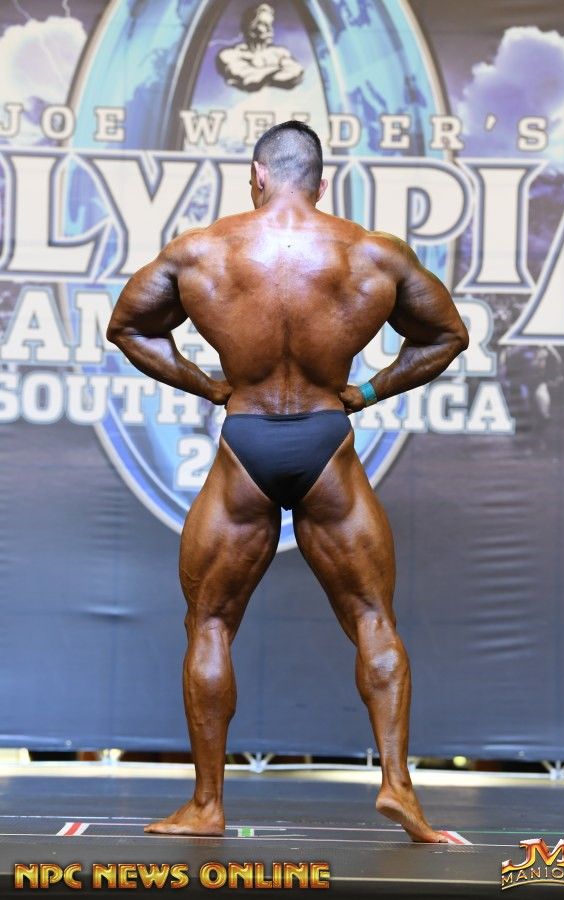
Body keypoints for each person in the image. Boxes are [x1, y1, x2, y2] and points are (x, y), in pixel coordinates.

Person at [106, 120, 469, 842]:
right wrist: (365, 393)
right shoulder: (373, 253)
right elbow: (448, 336)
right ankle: (399, 787)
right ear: (322, 183)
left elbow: (128, 328)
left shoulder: (201, 250)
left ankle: (207, 806)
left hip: (246, 442)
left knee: (211, 623)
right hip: (326, 442)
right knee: (372, 617)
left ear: (257, 175)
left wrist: (210, 387)